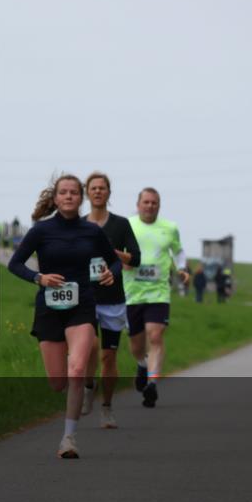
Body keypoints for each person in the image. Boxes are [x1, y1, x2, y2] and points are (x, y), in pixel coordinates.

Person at [8, 174, 120, 458]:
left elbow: (115, 260)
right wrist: (39, 278)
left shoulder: (91, 231)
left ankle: (68, 439)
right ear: (55, 198)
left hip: (82, 305)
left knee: (77, 369)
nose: (69, 196)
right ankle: (76, 395)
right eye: (64, 192)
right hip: (49, 308)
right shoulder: (41, 231)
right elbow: (14, 263)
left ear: (80, 198)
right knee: (58, 381)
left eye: (74, 193)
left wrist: (110, 273)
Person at [82, 172, 141, 430]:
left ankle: (106, 407)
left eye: (102, 188)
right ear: (87, 192)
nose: (97, 192)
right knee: (90, 348)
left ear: (108, 193)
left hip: (113, 299)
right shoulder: (79, 224)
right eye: (93, 188)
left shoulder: (121, 224)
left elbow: (136, 258)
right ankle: (87, 385)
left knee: (108, 357)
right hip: (85, 297)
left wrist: (111, 252)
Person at [124, 187, 189, 408]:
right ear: (138, 204)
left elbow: (178, 251)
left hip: (159, 292)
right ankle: (142, 365)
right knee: (136, 345)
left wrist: (181, 268)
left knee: (156, 335)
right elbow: (114, 250)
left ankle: (152, 382)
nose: (150, 206)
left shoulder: (170, 228)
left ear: (159, 205)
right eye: (146, 202)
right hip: (132, 293)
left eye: (154, 202)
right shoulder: (128, 225)